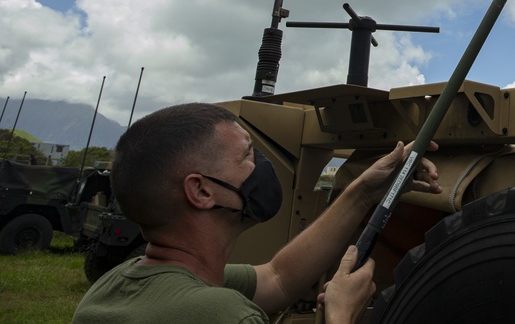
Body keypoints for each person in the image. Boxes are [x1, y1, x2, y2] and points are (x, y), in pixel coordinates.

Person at [72, 102, 441, 324]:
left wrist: (363, 191)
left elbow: (278, 279)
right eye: (248, 155)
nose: (261, 165)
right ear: (201, 191)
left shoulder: (117, 285)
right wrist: (341, 314)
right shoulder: (222, 314)